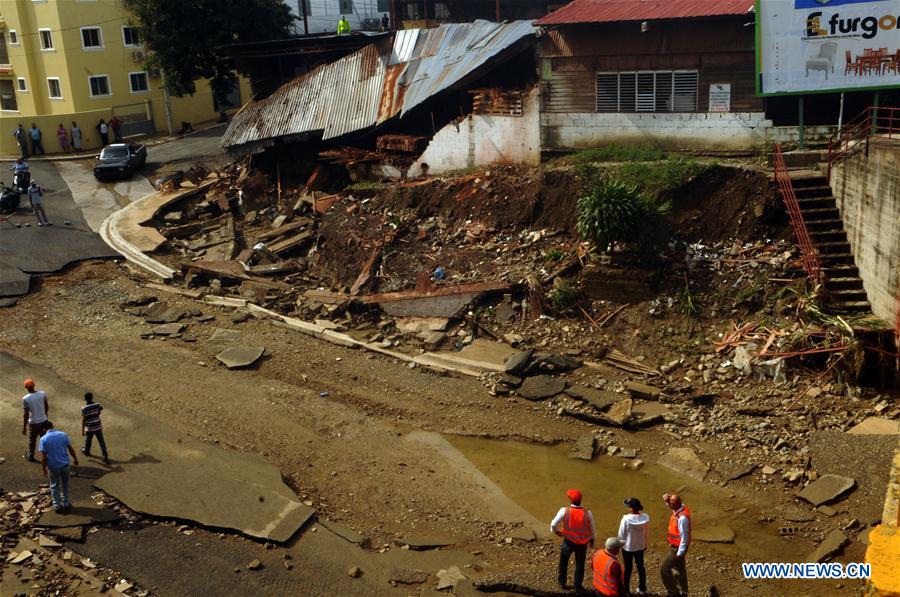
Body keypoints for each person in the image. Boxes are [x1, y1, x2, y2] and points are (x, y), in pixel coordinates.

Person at [551, 489, 595, 592]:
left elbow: (553, 524)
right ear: (580, 500)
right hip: (582, 544)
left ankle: (562, 583)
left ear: (571, 500)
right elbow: (592, 530)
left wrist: (557, 532)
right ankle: (577, 586)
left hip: (568, 541)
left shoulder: (564, 510)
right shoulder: (588, 513)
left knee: (563, 562)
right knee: (580, 564)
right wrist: (592, 541)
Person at [38, 422, 79, 512]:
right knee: (65, 485)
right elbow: (70, 449)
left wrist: (43, 468)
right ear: (52, 426)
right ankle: (66, 503)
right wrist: (75, 459)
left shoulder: (43, 439)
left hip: (53, 466)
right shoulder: (63, 435)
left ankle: (57, 505)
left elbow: (44, 456)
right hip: (65, 465)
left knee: (54, 486)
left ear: (44, 429)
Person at [660, 493, 691, 597]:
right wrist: (667, 501)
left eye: (670, 503)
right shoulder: (681, 508)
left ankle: (673, 592)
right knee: (680, 569)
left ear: (674, 504)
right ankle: (683, 592)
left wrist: (680, 553)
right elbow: (673, 508)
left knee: (664, 570)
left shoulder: (682, 519)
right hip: (676, 547)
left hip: (677, 549)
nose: (669, 505)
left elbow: (684, 537)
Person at [618, 497, 650, 595]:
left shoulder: (626, 519)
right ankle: (642, 589)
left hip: (628, 547)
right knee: (641, 567)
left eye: (628, 507)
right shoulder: (645, 517)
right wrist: (645, 544)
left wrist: (619, 544)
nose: (627, 508)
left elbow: (621, 535)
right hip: (640, 546)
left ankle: (626, 590)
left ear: (631, 508)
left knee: (628, 569)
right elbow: (646, 532)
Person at [21, 378, 50, 462]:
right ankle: (46, 456)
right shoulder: (42, 393)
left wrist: (24, 427)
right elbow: (46, 406)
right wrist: (45, 416)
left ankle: (31, 455)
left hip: (34, 423)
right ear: (34, 385)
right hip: (44, 421)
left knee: (32, 440)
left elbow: (26, 414)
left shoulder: (25, 398)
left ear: (26, 388)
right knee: (44, 439)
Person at [81, 392, 109, 464]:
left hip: (90, 428)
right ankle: (105, 457)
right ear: (92, 397)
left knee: (88, 441)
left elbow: (84, 419)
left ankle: (86, 452)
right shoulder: (97, 405)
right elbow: (100, 410)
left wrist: (82, 430)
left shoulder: (84, 408)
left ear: (85, 399)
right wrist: (97, 412)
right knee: (101, 442)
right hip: (98, 426)